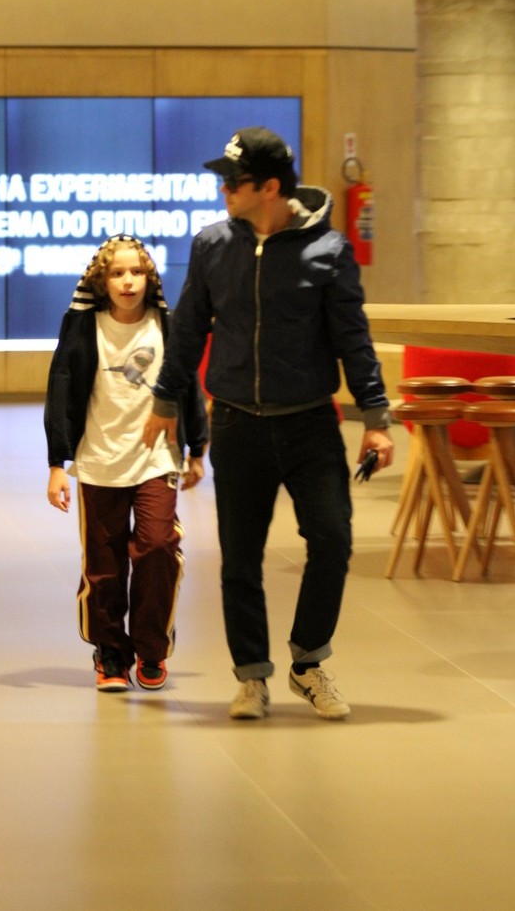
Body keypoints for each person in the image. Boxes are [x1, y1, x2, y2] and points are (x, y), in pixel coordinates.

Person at [143, 127, 394, 720]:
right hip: (238, 425)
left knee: (332, 541)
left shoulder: (327, 251)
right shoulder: (212, 245)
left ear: (270, 186)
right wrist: (165, 401)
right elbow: (188, 332)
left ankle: (308, 663)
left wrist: (377, 417)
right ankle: (251, 676)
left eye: (234, 182)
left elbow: (352, 340)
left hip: (310, 424)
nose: (224, 190)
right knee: (241, 559)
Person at [45, 234, 207, 693]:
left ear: (149, 278)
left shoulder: (166, 325)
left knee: (156, 546)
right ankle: (111, 653)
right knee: (104, 564)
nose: (128, 280)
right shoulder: (83, 327)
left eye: (136, 271)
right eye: (117, 272)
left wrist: (197, 448)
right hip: (99, 461)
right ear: (102, 280)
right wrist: (58, 461)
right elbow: (62, 390)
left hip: (157, 458)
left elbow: (188, 386)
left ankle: (152, 647)